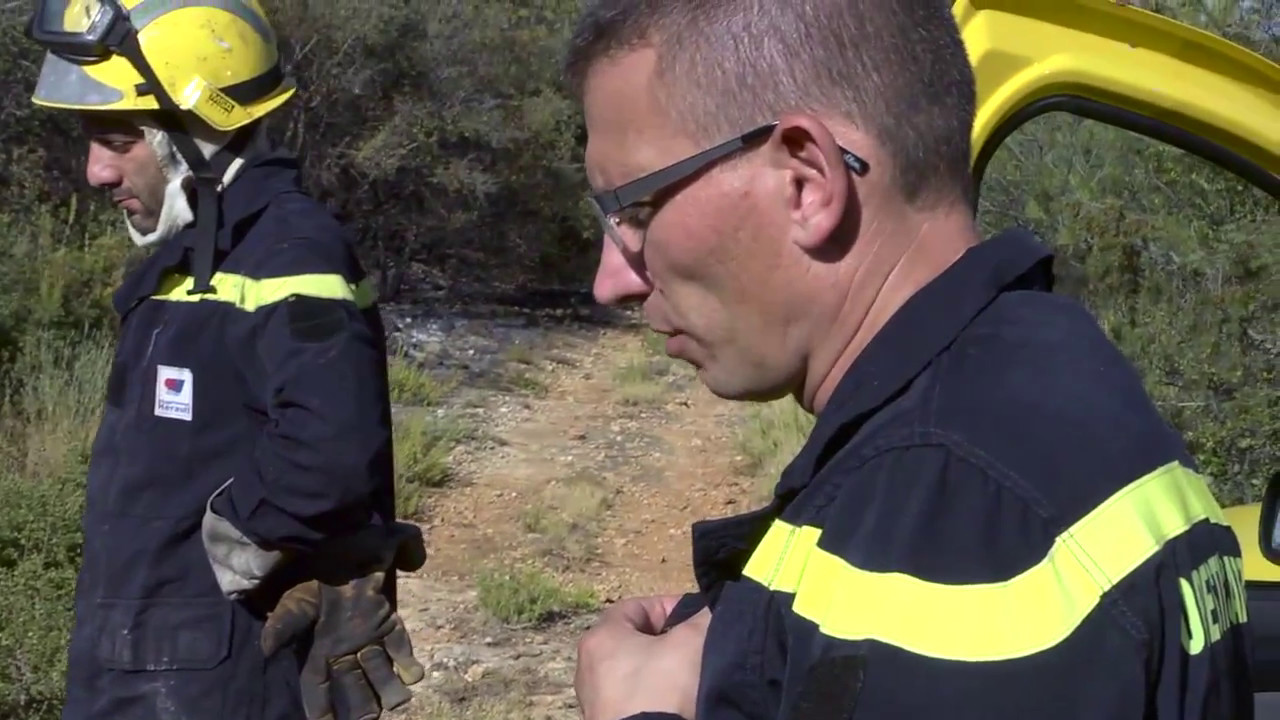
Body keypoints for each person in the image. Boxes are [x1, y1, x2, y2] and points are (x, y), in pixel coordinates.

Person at [561, 1, 1255, 719]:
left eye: (636, 210)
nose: (613, 280)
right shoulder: (1059, 378)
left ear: (804, 182)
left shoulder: (944, 517)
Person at [24, 1, 427, 719]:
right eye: (91, 140)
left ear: (203, 129)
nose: (94, 171)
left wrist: (227, 551)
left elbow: (329, 454)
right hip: (140, 661)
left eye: (119, 140)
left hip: (206, 677)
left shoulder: (288, 252)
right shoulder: (191, 255)